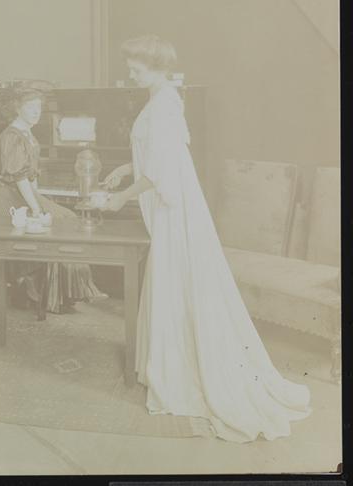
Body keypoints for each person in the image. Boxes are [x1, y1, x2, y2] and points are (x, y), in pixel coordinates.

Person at [100, 35, 311, 442]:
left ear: (157, 67)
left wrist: (121, 197)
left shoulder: (164, 105)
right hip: (172, 205)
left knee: (178, 283)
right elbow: (159, 157)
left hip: (173, 211)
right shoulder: (162, 99)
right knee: (174, 284)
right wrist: (126, 169)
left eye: (136, 67)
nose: (130, 73)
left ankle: (183, 369)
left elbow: (161, 171)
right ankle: (170, 363)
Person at [0, 87, 107, 313]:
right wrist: (36, 207)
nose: (36, 112)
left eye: (39, 107)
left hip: (21, 193)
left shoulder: (27, 134)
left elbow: (30, 177)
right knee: (62, 220)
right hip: (7, 199)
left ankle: (62, 295)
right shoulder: (12, 136)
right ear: (17, 108)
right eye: (30, 107)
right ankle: (46, 295)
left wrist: (39, 200)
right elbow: (20, 177)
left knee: (66, 218)